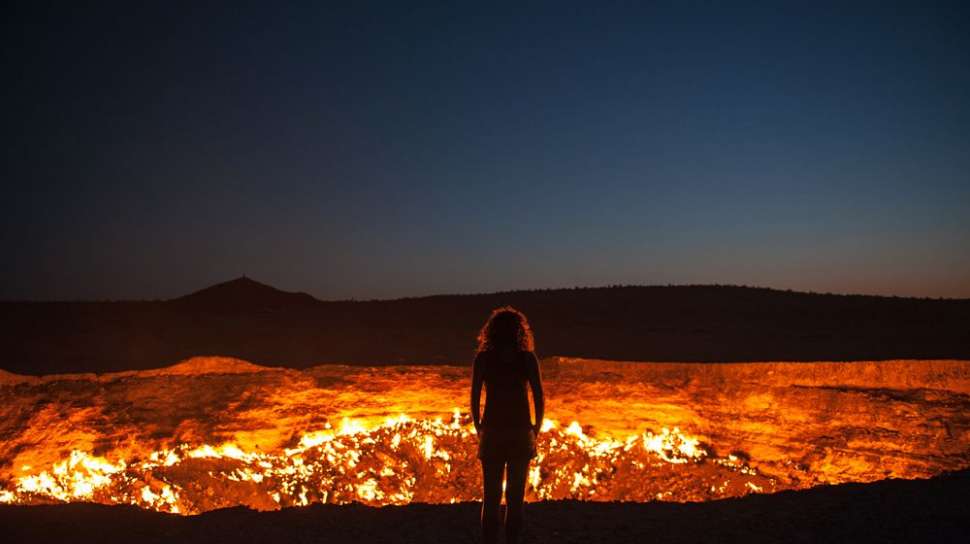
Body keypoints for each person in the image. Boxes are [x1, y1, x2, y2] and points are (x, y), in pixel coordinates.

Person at [470, 306, 544, 544]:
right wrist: (536, 427)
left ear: (491, 332)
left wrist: (478, 426)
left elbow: (474, 396)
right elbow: (539, 396)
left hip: (492, 431)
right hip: (520, 431)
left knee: (490, 497)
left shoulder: (483, 359)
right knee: (515, 496)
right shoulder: (527, 359)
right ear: (519, 331)